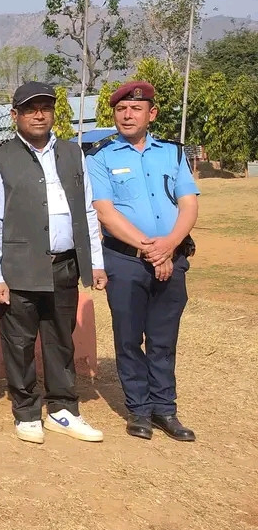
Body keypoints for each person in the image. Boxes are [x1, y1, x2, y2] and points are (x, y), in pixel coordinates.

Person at [0, 81, 107, 445]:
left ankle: (63, 409)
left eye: (45, 107)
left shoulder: (72, 154)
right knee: (19, 342)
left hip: (65, 264)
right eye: (30, 108)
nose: (39, 114)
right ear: (15, 115)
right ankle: (26, 412)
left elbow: (86, 209)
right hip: (19, 267)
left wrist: (94, 262)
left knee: (60, 339)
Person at [87, 81, 199, 442]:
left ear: (151, 114)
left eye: (136, 109)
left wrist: (169, 246)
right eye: (121, 109)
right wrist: (152, 249)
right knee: (128, 337)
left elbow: (189, 204)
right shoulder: (100, 156)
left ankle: (165, 409)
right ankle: (139, 410)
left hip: (173, 255)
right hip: (125, 261)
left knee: (164, 339)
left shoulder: (172, 153)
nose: (127, 115)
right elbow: (105, 211)